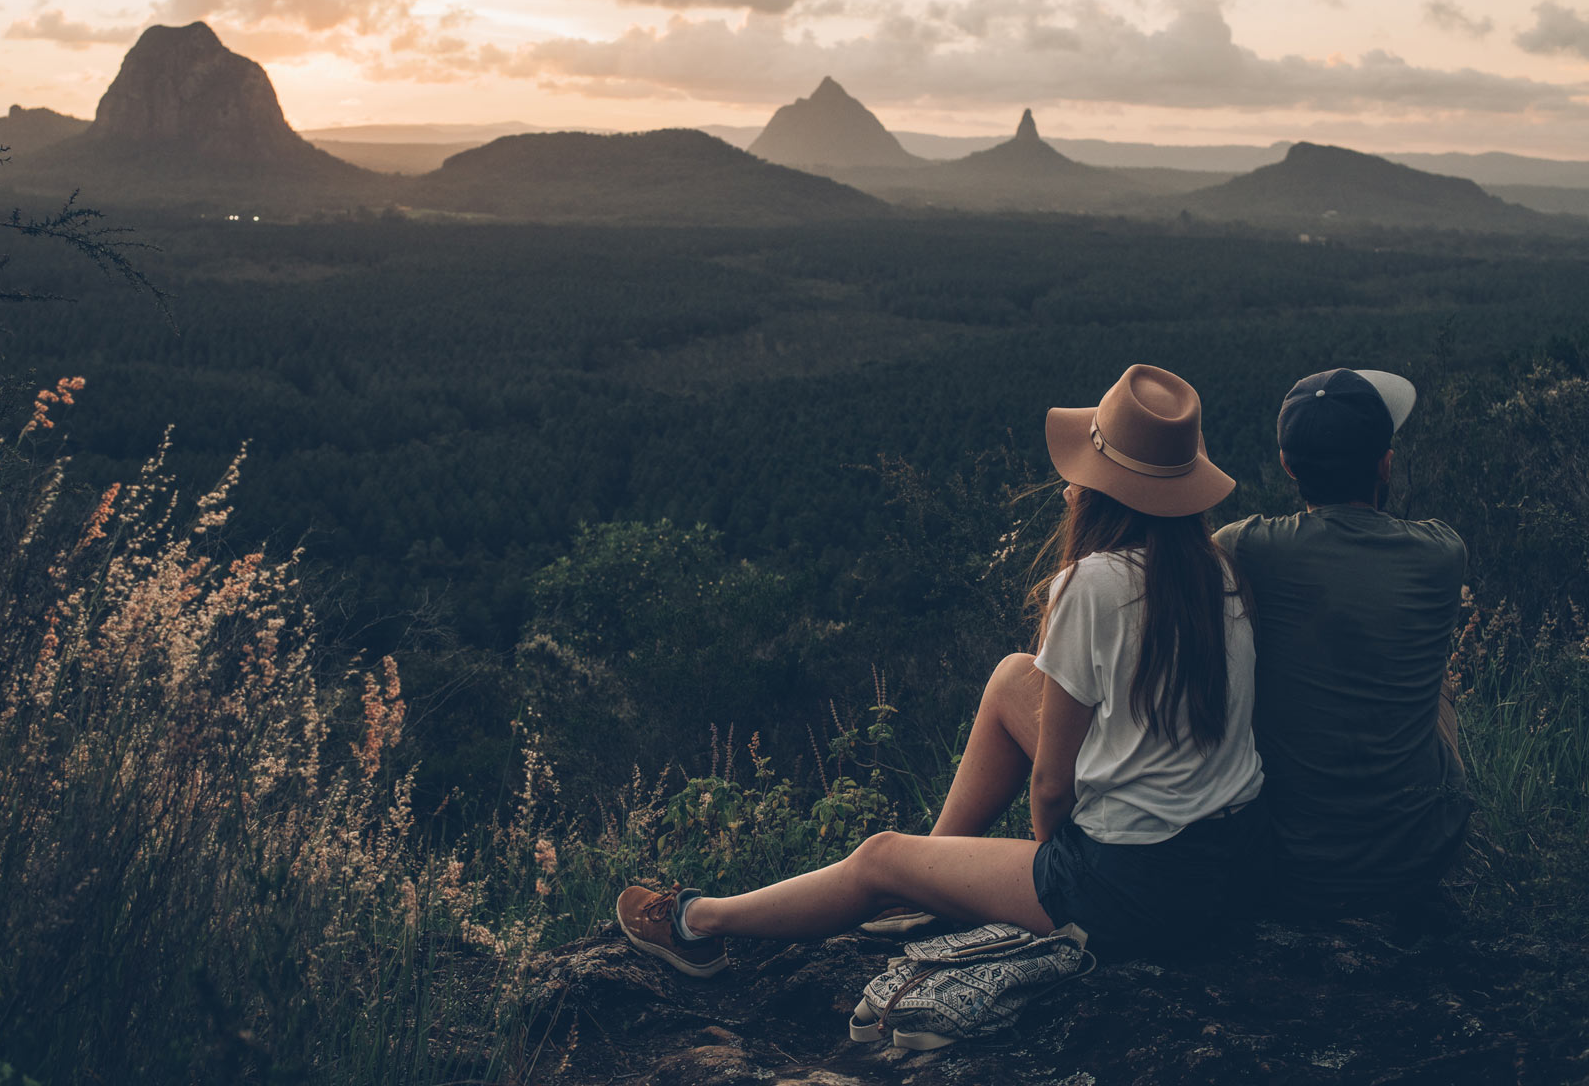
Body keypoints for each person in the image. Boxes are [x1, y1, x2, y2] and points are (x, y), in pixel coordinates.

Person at [617, 365, 1265, 976]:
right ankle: (927, 880)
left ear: (1103, 490)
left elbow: (1050, 787)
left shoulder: (1094, 583)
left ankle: (696, 924)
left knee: (877, 855)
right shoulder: (1218, 569)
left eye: (1084, 475)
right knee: (1015, 676)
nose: (1070, 486)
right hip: (1221, 870)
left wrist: (1053, 866)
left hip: (1130, 892)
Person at [1214, 369, 1472, 918]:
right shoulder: (1443, 552)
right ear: (1385, 463)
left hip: (1291, 863)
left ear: (1287, 465)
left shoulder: (1242, 547)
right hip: (1419, 856)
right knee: (1439, 679)